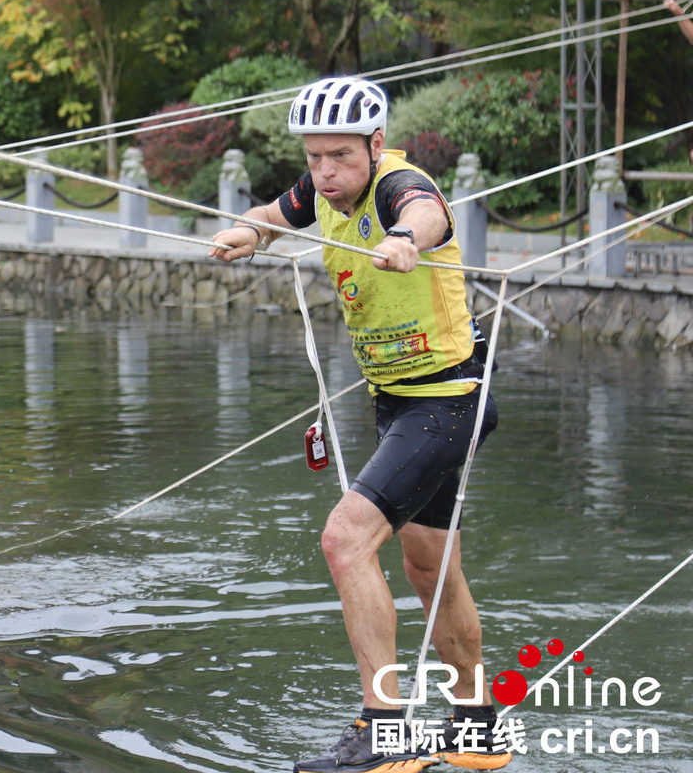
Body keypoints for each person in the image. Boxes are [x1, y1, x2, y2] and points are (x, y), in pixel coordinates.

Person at [208, 77, 504, 773]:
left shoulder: (401, 186)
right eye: (314, 158)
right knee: (430, 566)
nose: (325, 173)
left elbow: (426, 212)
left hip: (448, 396)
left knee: (345, 539)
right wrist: (248, 231)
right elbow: (276, 212)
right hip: (400, 402)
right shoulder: (320, 189)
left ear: (376, 145)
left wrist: (405, 240)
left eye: (340, 156)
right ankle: (477, 725)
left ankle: (384, 732)